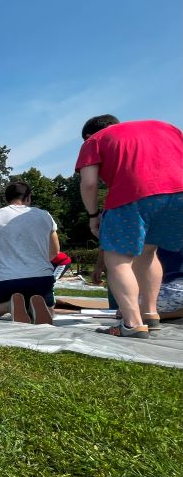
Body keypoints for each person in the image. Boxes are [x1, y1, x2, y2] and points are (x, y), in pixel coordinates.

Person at [76, 115, 183, 338]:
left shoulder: (94, 141)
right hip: (178, 193)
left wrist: (93, 215)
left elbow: (89, 183)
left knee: (117, 259)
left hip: (133, 194)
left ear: (88, 135)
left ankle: (133, 324)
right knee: (149, 252)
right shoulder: (164, 127)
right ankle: (150, 315)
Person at [0, 182, 60, 324]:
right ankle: (37, 306)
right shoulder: (45, 216)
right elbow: (55, 252)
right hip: (41, 279)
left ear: (6, 199)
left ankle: (9, 305)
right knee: (49, 308)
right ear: (28, 197)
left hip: (5, 280)